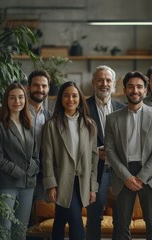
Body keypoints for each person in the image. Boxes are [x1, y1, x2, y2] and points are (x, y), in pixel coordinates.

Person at [105, 71, 152, 240]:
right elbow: (110, 151)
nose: (135, 90)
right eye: (131, 86)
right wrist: (127, 177)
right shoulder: (112, 118)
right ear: (125, 90)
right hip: (123, 174)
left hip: (151, 173)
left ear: (145, 90)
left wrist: (141, 177)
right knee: (121, 226)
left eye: (139, 86)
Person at [41, 81, 98, 240]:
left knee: (60, 219)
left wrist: (93, 187)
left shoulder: (90, 125)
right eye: (66, 95)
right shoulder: (51, 125)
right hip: (61, 181)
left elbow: (94, 158)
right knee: (75, 220)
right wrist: (51, 184)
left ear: (80, 99)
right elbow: (47, 157)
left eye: (74, 95)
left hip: (82, 182)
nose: (70, 99)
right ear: (60, 99)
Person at [0, 82, 39, 240]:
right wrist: (19, 172)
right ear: (6, 101)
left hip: (27, 185)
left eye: (20, 97)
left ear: (25, 99)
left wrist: (30, 171)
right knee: (3, 231)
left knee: (20, 232)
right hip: (6, 184)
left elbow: (37, 156)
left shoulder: (31, 126)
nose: (17, 101)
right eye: (12, 98)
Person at [85, 65, 125, 240]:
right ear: (94, 82)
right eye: (100, 79)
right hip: (95, 171)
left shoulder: (123, 108)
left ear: (114, 83)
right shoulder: (83, 107)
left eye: (108, 80)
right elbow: (75, 141)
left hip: (119, 171)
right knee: (94, 216)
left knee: (121, 217)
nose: (104, 83)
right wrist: (93, 151)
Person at [27, 69, 52, 201]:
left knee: (40, 215)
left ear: (48, 88)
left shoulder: (50, 116)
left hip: (42, 175)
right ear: (29, 87)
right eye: (36, 85)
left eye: (44, 86)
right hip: (21, 174)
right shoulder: (18, 113)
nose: (40, 89)